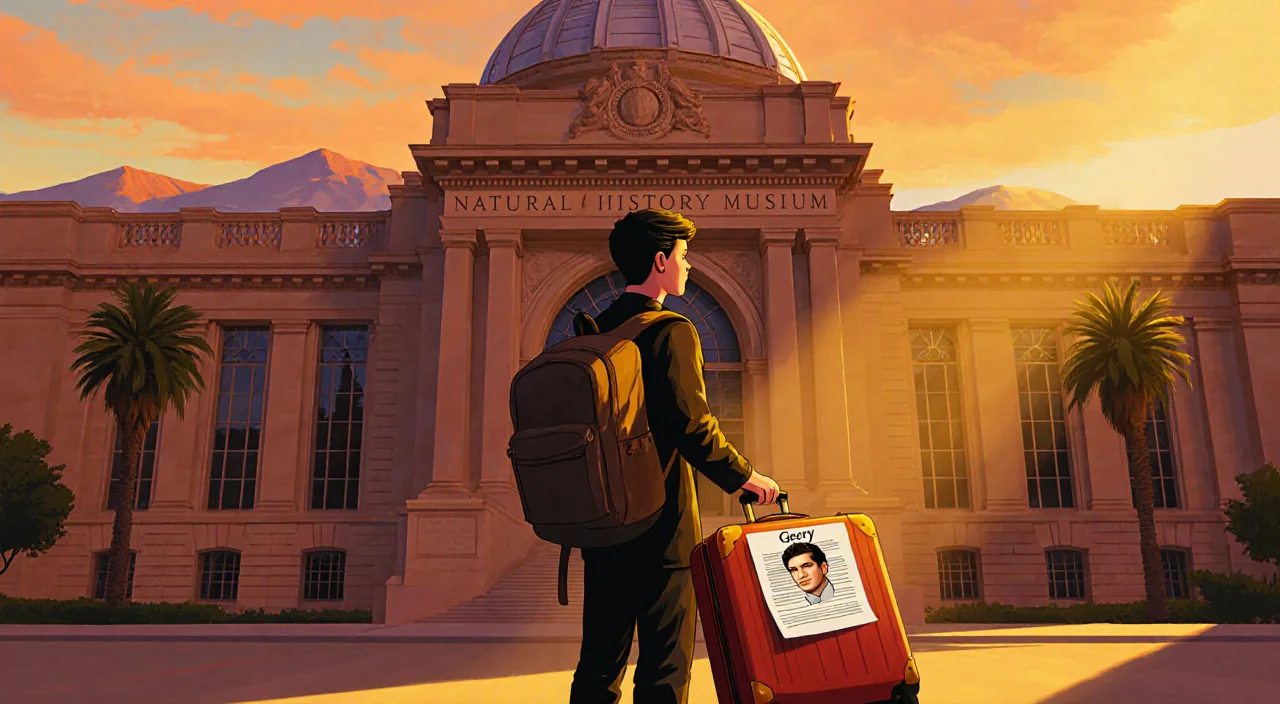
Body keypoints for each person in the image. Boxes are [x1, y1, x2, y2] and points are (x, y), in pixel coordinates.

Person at [570, 208, 781, 704]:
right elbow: (691, 425)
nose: (688, 266)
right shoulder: (671, 330)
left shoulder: (594, 330)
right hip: (660, 528)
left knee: (599, 665)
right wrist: (745, 477)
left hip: (602, 526)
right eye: (684, 256)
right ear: (661, 260)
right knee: (664, 669)